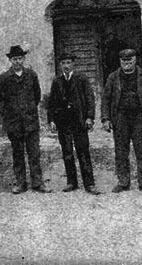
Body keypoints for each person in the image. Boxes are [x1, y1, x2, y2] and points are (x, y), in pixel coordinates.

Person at [0, 45, 52, 194]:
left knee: (34, 153)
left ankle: (38, 183)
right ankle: (20, 183)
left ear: (24, 59)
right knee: (17, 153)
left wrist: (29, 109)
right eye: (14, 59)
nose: (17, 61)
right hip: (14, 123)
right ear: (10, 60)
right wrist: (7, 113)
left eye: (19, 58)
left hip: (30, 121)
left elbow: (37, 95)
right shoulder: (5, 77)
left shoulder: (31, 75)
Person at [102, 49, 142, 193]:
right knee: (121, 151)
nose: (127, 63)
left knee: (141, 150)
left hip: (139, 117)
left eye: (129, 61)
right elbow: (106, 98)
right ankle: (123, 182)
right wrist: (106, 118)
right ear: (120, 62)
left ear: (135, 60)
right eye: (124, 61)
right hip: (120, 118)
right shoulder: (113, 77)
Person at [48, 53, 99, 194]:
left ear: (73, 64)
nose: (66, 65)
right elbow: (51, 102)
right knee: (67, 152)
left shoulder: (81, 79)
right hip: (63, 123)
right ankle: (71, 182)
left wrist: (89, 117)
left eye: (68, 62)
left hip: (79, 121)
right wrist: (52, 120)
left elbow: (90, 98)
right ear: (60, 65)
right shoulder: (56, 81)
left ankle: (89, 183)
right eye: (63, 62)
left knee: (83, 151)